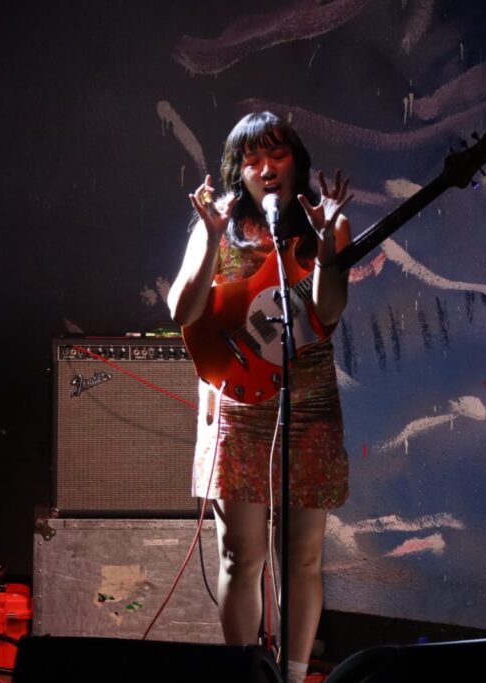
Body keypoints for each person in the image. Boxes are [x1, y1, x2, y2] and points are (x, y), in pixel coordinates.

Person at [167, 111, 352, 683]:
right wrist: (214, 237)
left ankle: (294, 679)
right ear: (236, 171)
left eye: (276, 155)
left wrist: (325, 244)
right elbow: (182, 312)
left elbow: (326, 312)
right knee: (240, 556)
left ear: (296, 160)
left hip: (309, 400)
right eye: (251, 159)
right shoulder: (214, 226)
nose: (266, 168)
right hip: (241, 403)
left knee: (302, 558)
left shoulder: (324, 228)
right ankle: (246, 677)